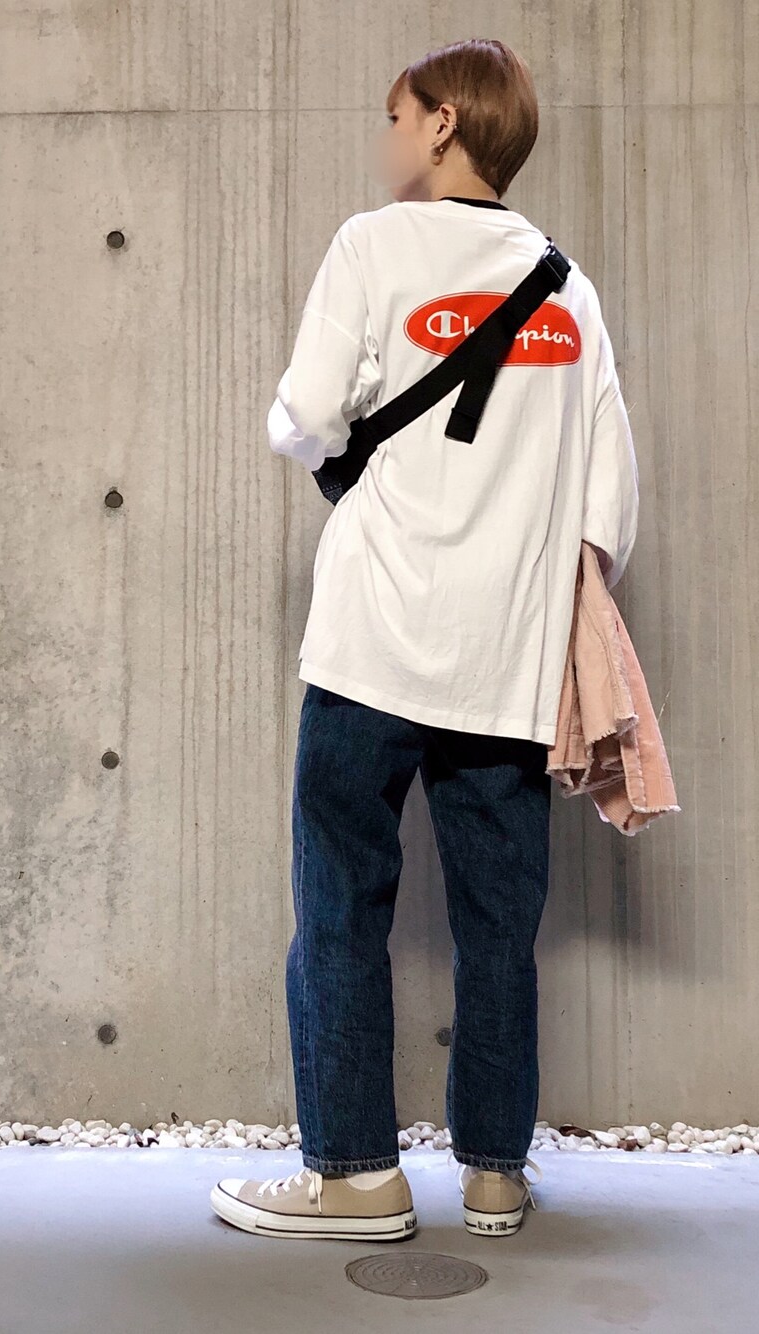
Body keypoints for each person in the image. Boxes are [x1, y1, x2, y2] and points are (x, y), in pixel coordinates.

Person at [210, 38, 639, 1242]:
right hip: (507, 663)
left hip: (373, 642)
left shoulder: (370, 245)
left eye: (396, 114)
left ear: (442, 123)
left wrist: (324, 445)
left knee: (342, 898)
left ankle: (354, 1177)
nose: (386, 133)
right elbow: (608, 500)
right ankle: (494, 1173)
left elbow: (305, 413)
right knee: (499, 924)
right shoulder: (567, 286)